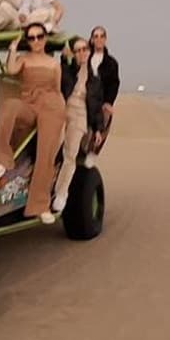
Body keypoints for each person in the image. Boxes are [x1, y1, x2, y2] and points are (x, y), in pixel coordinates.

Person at [0, 23, 65, 223]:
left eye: (39, 36)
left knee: (46, 153)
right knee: (9, 107)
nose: (36, 41)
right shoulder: (24, 59)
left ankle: (40, 205)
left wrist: (59, 113)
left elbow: (57, 89)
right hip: (29, 102)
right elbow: (11, 69)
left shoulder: (53, 64)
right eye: (31, 38)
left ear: (45, 38)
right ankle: (3, 159)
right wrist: (13, 49)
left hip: (51, 106)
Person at [52, 36, 106, 214]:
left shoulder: (95, 79)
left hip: (80, 115)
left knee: (70, 153)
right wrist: (63, 58)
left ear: (90, 51)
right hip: (61, 110)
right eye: (78, 50)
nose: (82, 53)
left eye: (85, 49)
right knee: (51, 149)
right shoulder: (67, 70)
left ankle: (61, 193)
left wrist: (98, 129)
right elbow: (59, 80)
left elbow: (96, 106)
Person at [83, 25, 120, 168]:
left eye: (101, 36)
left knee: (106, 116)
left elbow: (114, 83)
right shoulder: (85, 57)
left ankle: (93, 153)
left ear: (105, 39)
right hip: (84, 96)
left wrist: (109, 102)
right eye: (95, 36)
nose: (98, 39)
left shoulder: (111, 63)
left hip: (102, 99)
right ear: (91, 40)